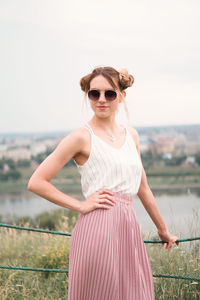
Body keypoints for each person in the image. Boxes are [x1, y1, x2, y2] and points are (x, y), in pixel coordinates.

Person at [27, 66, 179, 300]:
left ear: (121, 96)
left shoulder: (132, 136)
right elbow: (36, 182)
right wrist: (80, 205)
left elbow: (142, 188)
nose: (101, 99)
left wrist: (163, 230)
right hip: (96, 229)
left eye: (109, 93)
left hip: (128, 229)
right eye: (94, 93)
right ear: (88, 95)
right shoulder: (81, 137)